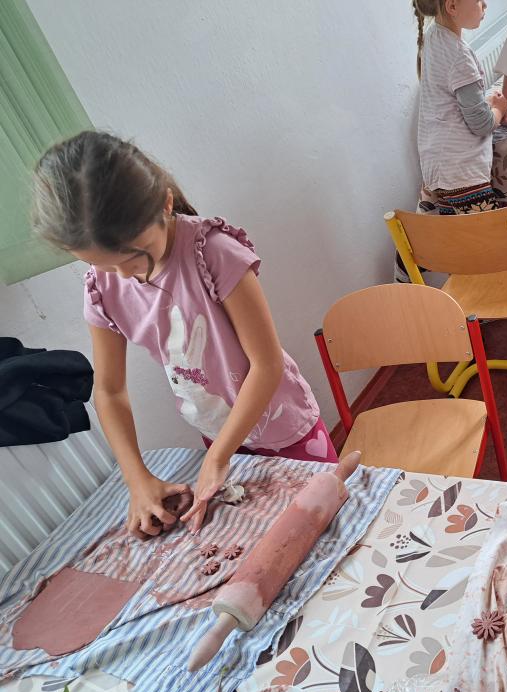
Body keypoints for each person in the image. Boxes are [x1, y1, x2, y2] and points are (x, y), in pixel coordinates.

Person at [32, 131, 335, 539]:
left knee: (328, 526)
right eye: (103, 265)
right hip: (217, 432)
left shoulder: (214, 253)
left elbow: (266, 365)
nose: (125, 275)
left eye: (135, 256)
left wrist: (219, 457)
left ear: (165, 204)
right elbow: (109, 391)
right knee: (259, 536)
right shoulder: (102, 287)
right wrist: (137, 479)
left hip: (284, 429)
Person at [413, 0, 507, 216]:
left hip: (436, 166)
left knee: (459, 234)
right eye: (479, 0)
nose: (485, 5)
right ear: (452, 7)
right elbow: (481, 125)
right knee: (492, 234)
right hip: (461, 171)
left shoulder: (433, 37)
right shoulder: (459, 56)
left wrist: (492, 109)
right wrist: (499, 109)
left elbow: (454, 105)